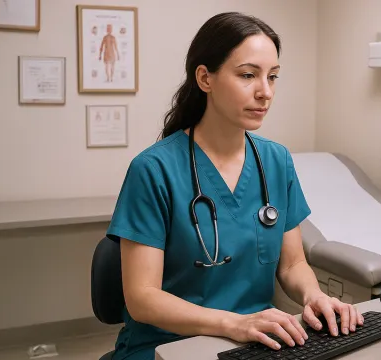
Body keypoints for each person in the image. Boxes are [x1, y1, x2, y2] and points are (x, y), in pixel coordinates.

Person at [105, 11, 364, 360]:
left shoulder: (276, 161)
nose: (265, 92)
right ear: (205, 78)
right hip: (168, 345)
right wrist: (233, 324)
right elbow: (142, 298)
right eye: (248, 75)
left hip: (257, 341)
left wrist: (313, 295)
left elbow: (291, 265)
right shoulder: (154, 170)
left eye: (272, 77)